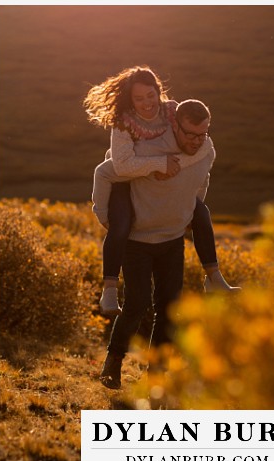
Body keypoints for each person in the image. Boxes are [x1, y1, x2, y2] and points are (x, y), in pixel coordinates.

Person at [84, 66, 239, 316]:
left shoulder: (171, 112)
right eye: (139, 98)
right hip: (123, 178)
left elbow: (198, 147)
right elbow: (117, 168)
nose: (147, 103)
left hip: (158, 173)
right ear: (130, 100)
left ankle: (214, 277)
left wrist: (182, 189)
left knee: (201, 213)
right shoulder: (123, 123)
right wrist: (102, 213)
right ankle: (109, 292)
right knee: (120, 225)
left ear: (159, 92)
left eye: (150, 95)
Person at [95, 100, 215, 389]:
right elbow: (108, 170)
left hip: (171, 241)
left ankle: (157, 377)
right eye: (191, 135)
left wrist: (188, 210)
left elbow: (202, 179)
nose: (197, 141)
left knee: (170, 309)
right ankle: (113, 362)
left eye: (203, 134)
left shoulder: (205, 149)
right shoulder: (147, 149)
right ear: (175, 124)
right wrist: (104, 215)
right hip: (136, 240)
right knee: (137, 303)